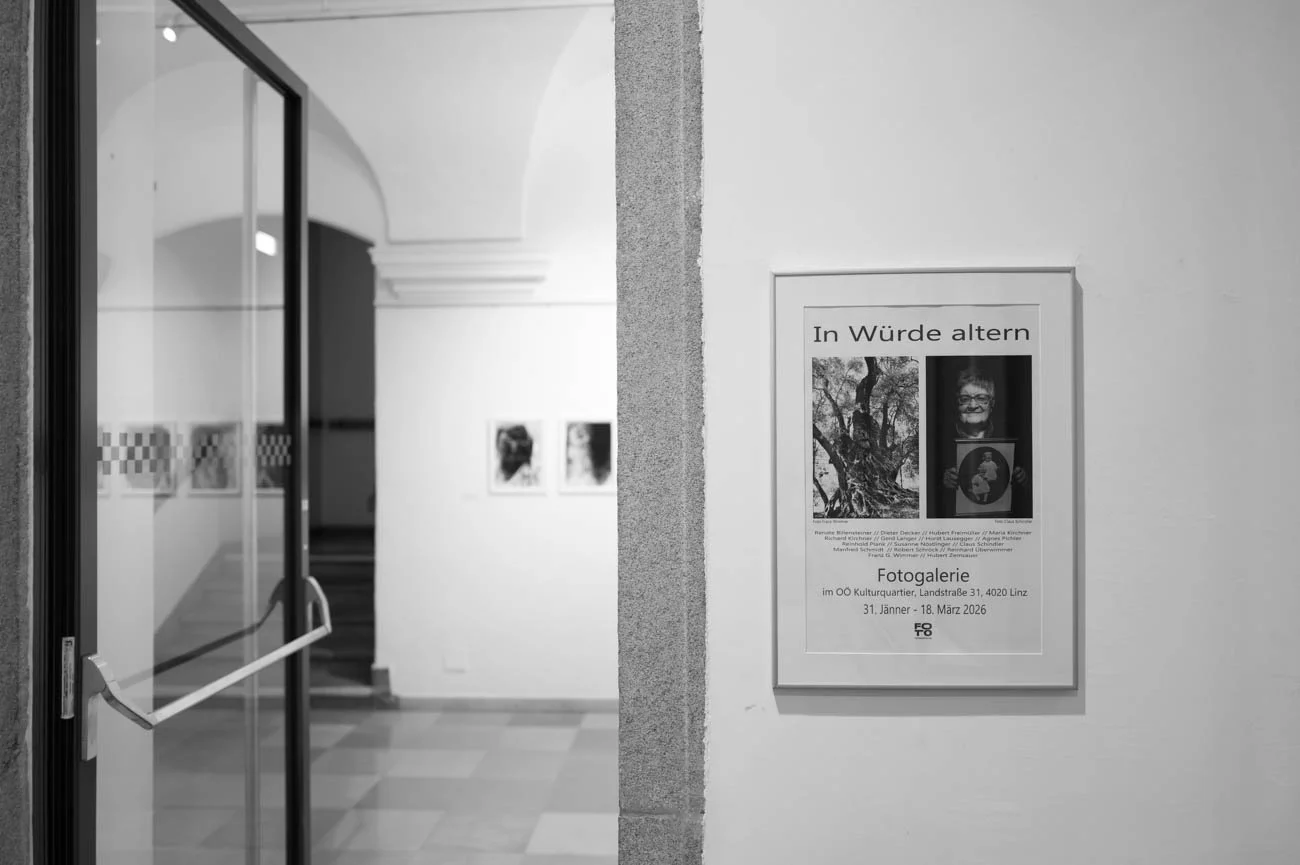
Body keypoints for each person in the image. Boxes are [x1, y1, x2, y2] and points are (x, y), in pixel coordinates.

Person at [940, 367, 1028, 499]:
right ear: (957, 404)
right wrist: (942, 482)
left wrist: (1023, 479)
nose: (973, 405)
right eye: (965, 399)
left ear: (991, 404)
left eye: (981, 398)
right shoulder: (939, 443)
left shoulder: (1012, 441)